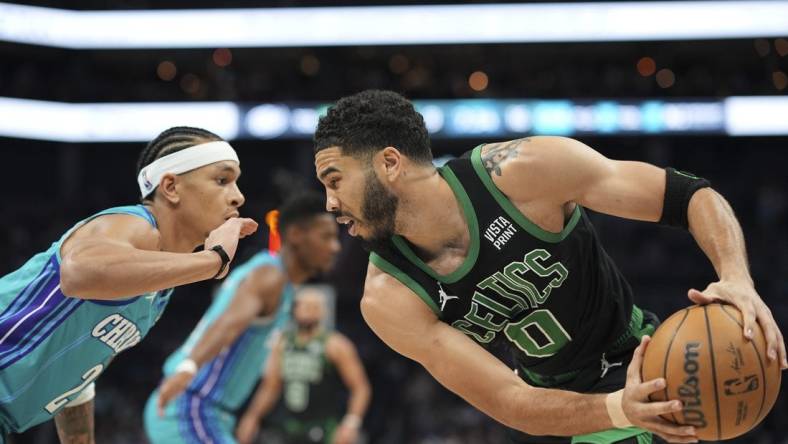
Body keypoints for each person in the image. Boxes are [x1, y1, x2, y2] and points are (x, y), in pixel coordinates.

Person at [311, 90, 787, 444]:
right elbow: (506, 399)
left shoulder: (521, 173)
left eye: (335, 180)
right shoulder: (388, 295)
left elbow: (688, 196)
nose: (330, 203)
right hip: (582, 406)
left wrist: (736, 278)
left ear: (390, 163)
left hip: (646, 346)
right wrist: (620, 408)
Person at [0, 126, 257, 443]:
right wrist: (212, 261)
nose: (238, 196)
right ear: (171, 187)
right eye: (222, 180)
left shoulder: (159, 283)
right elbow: (78, 272)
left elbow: (80, 366)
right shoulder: (134, 225)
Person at [144, 192, 340, 444]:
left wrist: (252, 416)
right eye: (326, 237)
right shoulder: (270, 277)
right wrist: (188, 367)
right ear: (295, 235)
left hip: (209, 412)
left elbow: (268, 371)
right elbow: (228, 324)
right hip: (190, 406)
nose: (335, 247)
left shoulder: (275, 281)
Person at [235, 287, 371, 444]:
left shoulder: (335, 344)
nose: (308, 311)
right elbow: (270, 386)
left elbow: (360, 388)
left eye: (314, 307)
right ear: (295, 309)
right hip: (287, 426)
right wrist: (252, 417)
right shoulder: (282, 343)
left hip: (323, 427)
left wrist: (351, 424)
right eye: (304, 306)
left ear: (323, 312)